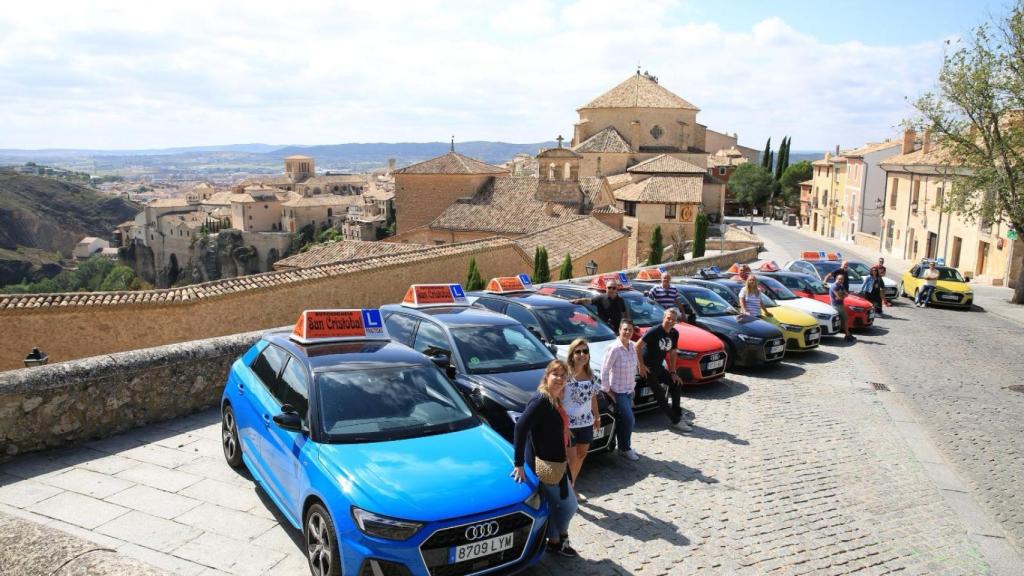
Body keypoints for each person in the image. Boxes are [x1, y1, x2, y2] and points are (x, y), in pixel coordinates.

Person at [512, 360, 579, 558]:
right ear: (546, 376)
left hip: (557, 462)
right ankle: (561, 536)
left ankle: (555, 541)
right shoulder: (541, 399)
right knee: (569, 505)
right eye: (555, 374)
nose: (559, 379)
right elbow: (520, 427)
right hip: (547, 465)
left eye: (563, 376)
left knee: (553, 502)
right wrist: (519, 463)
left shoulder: (554, 398)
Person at [636, 308, 693, 432]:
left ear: (676, 321)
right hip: (648, 368)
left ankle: (678, 414)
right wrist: (641, 366)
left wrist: (673, 372)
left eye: (673, 319)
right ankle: (675, 421)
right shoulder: (655, 330)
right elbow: (637, 347)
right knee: (660, 394)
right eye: (668, 318)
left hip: (658, 367)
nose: (670, 321)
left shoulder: (674, 333)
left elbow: (672, 352)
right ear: (663, 318)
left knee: (676, 384)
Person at [563, 338, 601, 484]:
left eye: (585, 351)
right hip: (569, 425)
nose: (582, 354)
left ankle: (571, 486)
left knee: (581, 455)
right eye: (578, 351)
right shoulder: (565, 375)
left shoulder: (592, 375)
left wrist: (597, 416)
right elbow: (558, 401)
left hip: (586, 423)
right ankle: (566, 489)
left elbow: (593, 398)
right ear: (572, 355)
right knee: (570, 459)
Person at [601, 320, 640, 460]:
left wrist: (633, 388)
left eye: (630, 330)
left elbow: (633, 368)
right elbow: (605, 370)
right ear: (619, 330)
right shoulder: (614, 348)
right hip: (618, 391)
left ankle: (622, 446)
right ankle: (625, 448)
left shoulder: (633, 346)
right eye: (625, 329)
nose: (627, 332)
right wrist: (606, 389)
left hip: (629, 390)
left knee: (623, 420)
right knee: (630, 420)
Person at [828, 272, 855, 342]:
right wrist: (842, 295)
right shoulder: (834, 286)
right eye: (839, 279)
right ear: (836, 279)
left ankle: (847, 333)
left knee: (844, 319)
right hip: (836, 305)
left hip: (840, 304)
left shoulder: (841, 285)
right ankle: (847, 334)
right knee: (846, 318)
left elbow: (846, 294)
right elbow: (839, 297)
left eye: (842, 279)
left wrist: (842, 295)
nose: (841, 280)